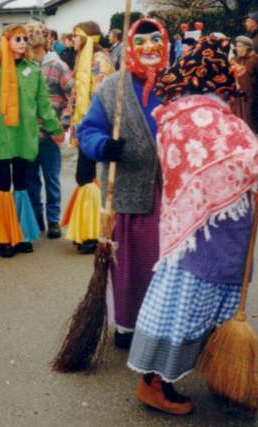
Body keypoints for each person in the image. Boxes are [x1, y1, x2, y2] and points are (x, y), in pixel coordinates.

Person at [127, 35, 258, 415]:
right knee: (185, 304)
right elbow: (230, 157)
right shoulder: (195, 115)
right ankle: (154, 384)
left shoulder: (191, 112)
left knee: (218, 301)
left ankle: (225, 372)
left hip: (220, 228)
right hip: (200, 234)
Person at [78, 18, 169, 348]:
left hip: (170, 193)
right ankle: (128, 324)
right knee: (130, 264)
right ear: (129, 46)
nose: (149, 47)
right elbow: (88, 130)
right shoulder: (112, 87)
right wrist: (103, 146)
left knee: (167, 262)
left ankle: (163, 322)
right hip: (127, 191)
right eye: (140, 41)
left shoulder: (176, 85)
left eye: (155, 39)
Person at [0, 24, 64, 258]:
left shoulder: (33, 71)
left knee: (22, 185)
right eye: (17, 39)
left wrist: (55, 128)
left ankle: (23, 233)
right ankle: (5, 237)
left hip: (25, 137)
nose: (23, 42)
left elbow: (43, 105)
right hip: (1, 138)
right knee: (3, 186)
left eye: (25, 38)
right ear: (6, 42)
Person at [61, 21, 115, 254]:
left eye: (76, 35)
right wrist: (68, 118)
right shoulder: (83, 58)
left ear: (87, 37)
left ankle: (93, 234)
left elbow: (102, 96)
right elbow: (75, 94)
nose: (72, 39)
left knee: (87, 176)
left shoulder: (99, 60)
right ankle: (87, 230)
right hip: (83, 125)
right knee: (85, 176)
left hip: (94, 127)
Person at [26, 21, 74, 239]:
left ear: (46, 38)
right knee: (31, 180)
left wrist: (63, 123)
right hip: (28, 134)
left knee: (51, 179)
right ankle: (37, 218)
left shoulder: (56, 65)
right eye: (28, 33)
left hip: (50, 134)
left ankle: (53, 220)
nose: (32, 36)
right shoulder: (23, 65)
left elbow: (73, 93)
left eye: (36, 32)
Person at [229, 35, 258, 133]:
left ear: (247, 47)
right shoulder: (236, 59)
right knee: (237, 122)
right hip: (237, 97)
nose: (237, 48)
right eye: (236, 46)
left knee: (250, 123)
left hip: (250, 97)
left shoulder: (255, 59)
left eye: (239, 46)